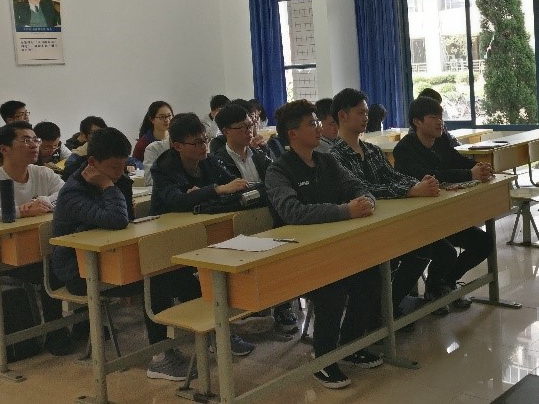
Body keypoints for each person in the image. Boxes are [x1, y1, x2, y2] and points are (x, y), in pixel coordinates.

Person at [50, 127, 200, 381]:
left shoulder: (118, 179)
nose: (120, 172)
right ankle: (160, 358)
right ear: (93, 162)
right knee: (155, 280)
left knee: (178, 270)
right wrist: (107, 186)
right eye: (113, 167)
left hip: (113, 259)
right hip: (79, 271)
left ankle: (212, 334)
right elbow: (118, 220)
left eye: (123, 165)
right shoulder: (73, 192)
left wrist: (111, 183)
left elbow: (125, 224)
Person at [264, 99, 382, 389]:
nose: (319, 128)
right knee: (332, 287)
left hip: (333, 247)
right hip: (296, 253)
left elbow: (356, 185)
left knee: (370, 275)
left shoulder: (327, 161)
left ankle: (350, 345)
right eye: (312, 124)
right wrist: (344, 211)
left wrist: (367, 200)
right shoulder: (279, 171)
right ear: (293, 133)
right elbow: (293, 212)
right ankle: (324, 358)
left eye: (318, 122)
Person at [327, 89, 449, 316]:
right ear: (342, 116)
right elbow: (363, 190)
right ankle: (381, 312)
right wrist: (411, 190)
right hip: (360, 230)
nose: (366, 117)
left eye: (366, 113)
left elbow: (393, 176)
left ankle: (389, 305)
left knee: (429, 248)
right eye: (360, 113)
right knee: (413, 252)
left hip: (388, 221)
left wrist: (419, 183)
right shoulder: (333, 157)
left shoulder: (372, 150)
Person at [148, 112, 258, 357]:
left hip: (200, 234)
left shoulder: (207, 160)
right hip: (166, 242)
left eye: (205, 139)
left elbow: (233, 184)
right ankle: (166, 352)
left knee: (215, 273)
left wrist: (206, 192)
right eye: (197, 142)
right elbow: (176, 200)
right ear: (177, 146)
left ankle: (220, 332)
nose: (204, 146)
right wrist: (215, 190)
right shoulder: (164, 167)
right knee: (168, 284)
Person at [392, 96, 494, 311]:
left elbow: (458, 161)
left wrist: (480, 167)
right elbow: (426, 175)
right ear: (417, 122)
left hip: (445, 215)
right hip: (419, 220)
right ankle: (434, 290)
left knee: (484, 242)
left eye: (440, 117)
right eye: (433, 117)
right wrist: (469, 174)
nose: (440, 122)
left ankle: (444, 283)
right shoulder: (405, 149)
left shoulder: (441, 141)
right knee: (446, 252)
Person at [0, 121, 73, 355]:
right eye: (25, 140)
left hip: (40, 248)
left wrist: (44, 201)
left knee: (73, 262)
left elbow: (67, 194)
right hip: (0, 255)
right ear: (4, 149)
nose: (34, 145)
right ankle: (56, 332)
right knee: (52, 271)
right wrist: (20, 211)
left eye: (35, 140)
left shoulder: (42, 172)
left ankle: (82, 325)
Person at [211, 104, 300, 336]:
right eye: (242, 127)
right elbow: (235, 196)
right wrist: (261, 191)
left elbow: (278, 182)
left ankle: (282, 306)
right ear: (226, 131)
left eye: (250, 125)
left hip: (269, 220)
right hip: (239, 228)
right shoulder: (218, 161)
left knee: (284, 252)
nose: (249, 131)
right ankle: (251, 309)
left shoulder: (260, 154)